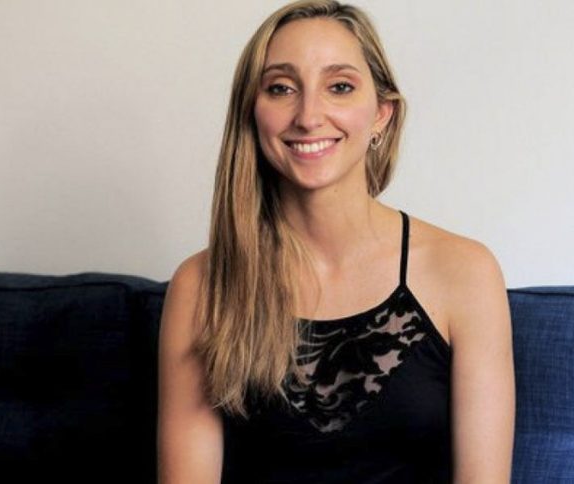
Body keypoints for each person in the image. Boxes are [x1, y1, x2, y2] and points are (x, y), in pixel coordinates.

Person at [157, 1, 515, 482]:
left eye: (340, 86)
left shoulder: (465, 272)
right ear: (252, 113)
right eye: (281, 88)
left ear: (382, 114)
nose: (308, 116)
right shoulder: (202, 285)